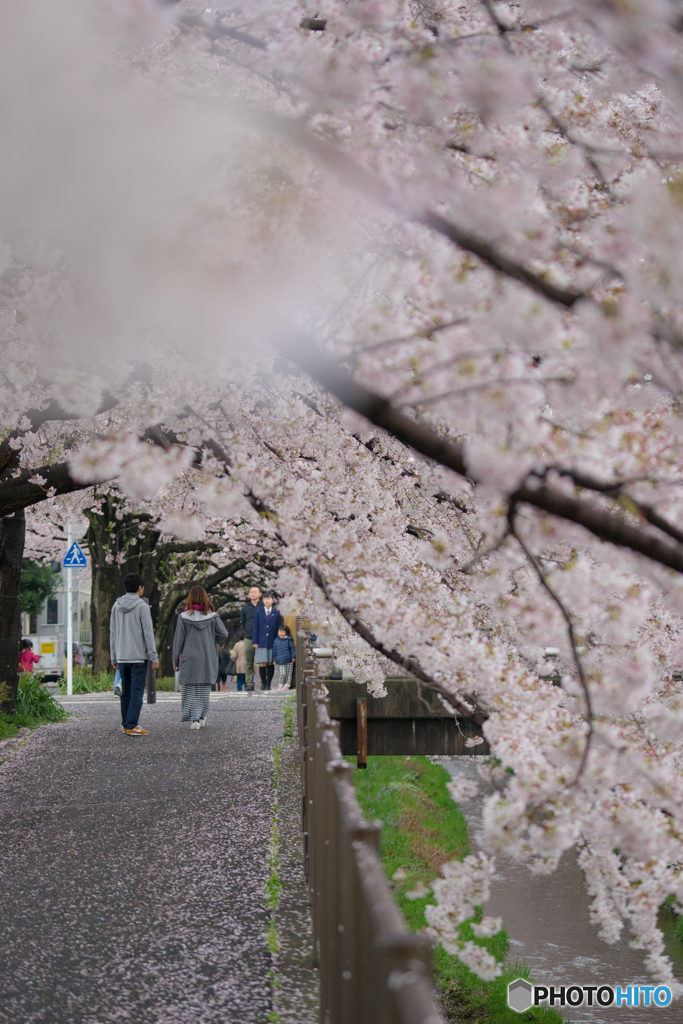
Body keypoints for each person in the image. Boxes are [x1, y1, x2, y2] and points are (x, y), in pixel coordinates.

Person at [110, 572, 159, 736]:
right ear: (140, 588)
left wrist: (113, 656)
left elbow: (112, 632)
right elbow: (148, 633)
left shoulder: (116, 605)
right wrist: (154, 656)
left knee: (126, 692)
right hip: (138, 657)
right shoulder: (142, 606)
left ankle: (126, 724)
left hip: (122, 656)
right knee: (137, 692)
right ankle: (131, 725)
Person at [173, 585, 228, 728]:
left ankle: (194, 719)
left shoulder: (183, 617)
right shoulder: (213, 617)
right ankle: (202, 716)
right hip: (207, 656)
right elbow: (224, 634)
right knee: (204, 687)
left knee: (190, 688)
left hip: (189, 657)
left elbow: (178, 640)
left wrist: (175, 660)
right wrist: (214, 642)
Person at [252, 591, 282, 691]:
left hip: (272, 641)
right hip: (261, 641)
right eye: (265, 599)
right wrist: (255, 641)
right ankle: (263, 684)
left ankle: (268, 684)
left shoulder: (276, 613)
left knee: (270, 663)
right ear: (263, 600)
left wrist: (278, 642)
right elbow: (255, 627)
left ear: (272, 600)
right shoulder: (258, 612)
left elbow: (279, 628)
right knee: (262, 663)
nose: (267, 601)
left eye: (268, 599)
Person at [240, 585, 263, 692]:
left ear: (260, 594)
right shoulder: (245, 608)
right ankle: (249, 683)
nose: (253, 593)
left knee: (264, 661)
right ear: (249, 594)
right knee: (248, 662)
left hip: (262, 637)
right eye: (251, 592)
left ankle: (264, 683)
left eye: (255, 592)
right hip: (249, 637)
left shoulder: (263, 606)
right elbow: (243, 623)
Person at [273, 625, 296, 690]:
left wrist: (293, 657)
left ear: (286, 632)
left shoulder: (288, 639)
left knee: (289, 673)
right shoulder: (275, 641)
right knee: (282, 673)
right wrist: (274, 659)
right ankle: (280, 684)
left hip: (289, 659)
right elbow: (274, 651)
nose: (281, 633)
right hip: (280, 660)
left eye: (283, 632)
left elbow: (292, 649)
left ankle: (287, 685)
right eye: (280, 632)